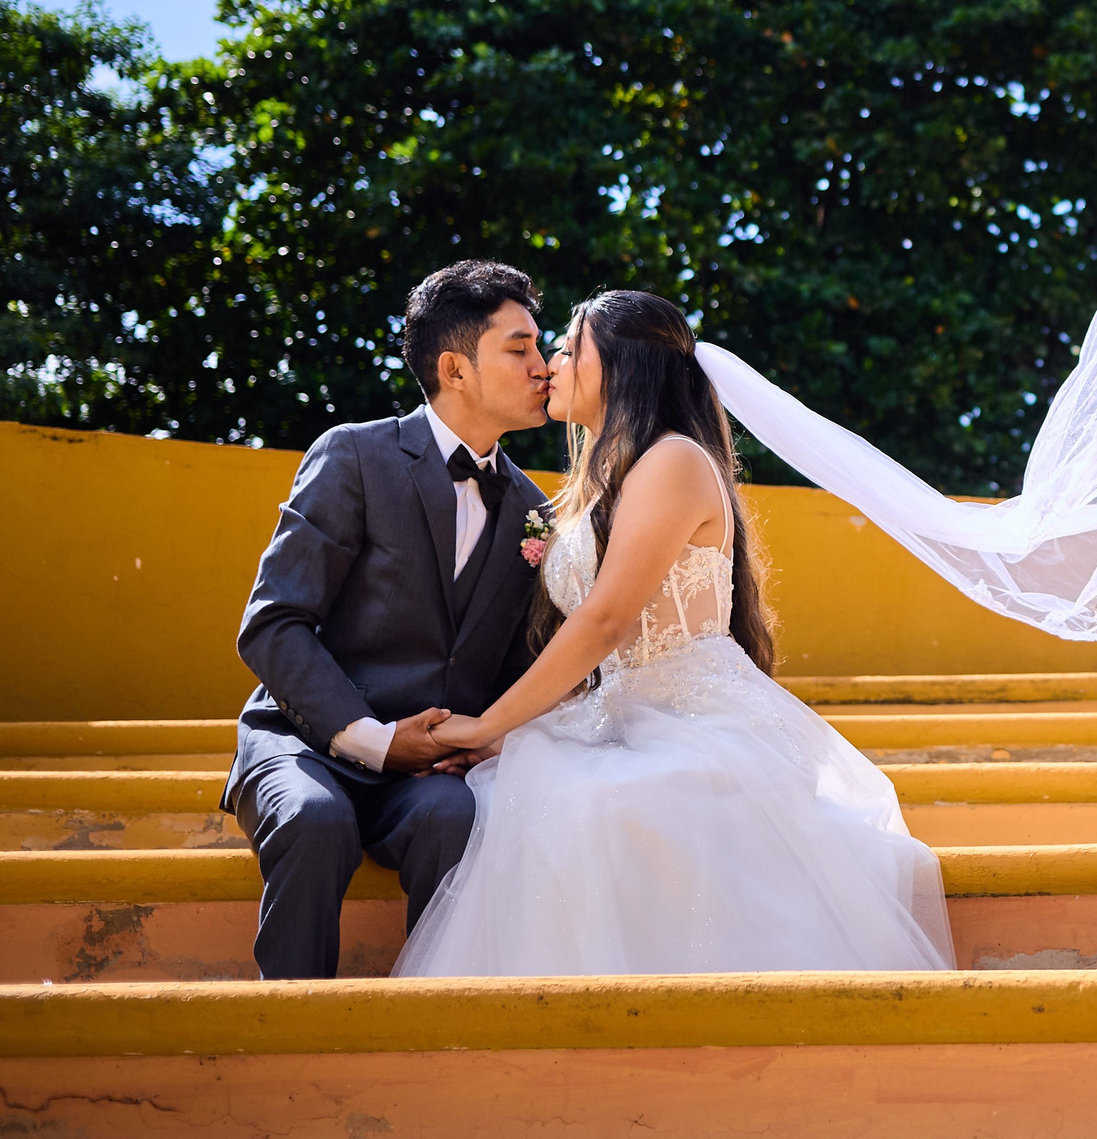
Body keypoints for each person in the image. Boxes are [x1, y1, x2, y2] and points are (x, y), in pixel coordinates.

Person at [398, 290, 953, 976]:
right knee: (517, 792)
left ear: (623, 366)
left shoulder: (673, 460)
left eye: (570, 348)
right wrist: (511, 737)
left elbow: (605, 621)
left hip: (695, 717)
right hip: (621, 712)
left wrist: (482, 725)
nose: (551, 365)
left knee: (601, 809)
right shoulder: (599, 483)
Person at [223, 260, 553, 979]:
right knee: (316, 820)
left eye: (542, 345)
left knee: (457, 819)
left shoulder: (535, 509)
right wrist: (371, 739)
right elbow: (273, 622)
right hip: (309, 742)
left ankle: (429, 1040)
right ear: (454, 368)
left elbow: (523, 664)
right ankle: (289, 1033)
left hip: (431, 768)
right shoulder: (354, 455)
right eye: (519, 347)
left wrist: (490, 736)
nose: (543, 365)